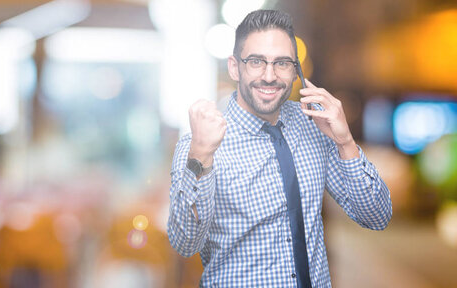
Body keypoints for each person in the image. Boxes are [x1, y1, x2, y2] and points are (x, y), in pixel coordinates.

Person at [167, 9, 392, 287]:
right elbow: (184, 243)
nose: (270, 76)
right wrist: (200, 157)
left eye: (282, 63)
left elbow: (377, 216)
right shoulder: (199, 143)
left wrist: (346, 142)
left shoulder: (314, 124)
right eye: (257, 62)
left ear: (296, 70)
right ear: (235, 67)